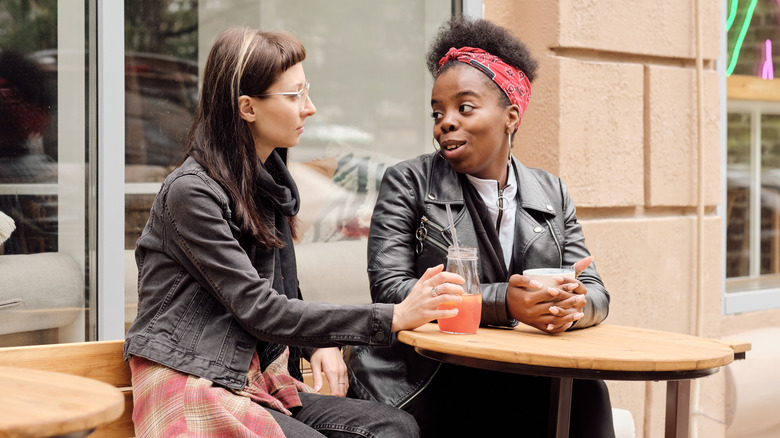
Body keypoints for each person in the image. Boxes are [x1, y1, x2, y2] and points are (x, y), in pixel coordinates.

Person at [123, 27, 467, 438]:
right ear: (247, 107)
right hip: (191, 381)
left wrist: (318, 345)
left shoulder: (268, 186)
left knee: (394, 428)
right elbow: (260, 308)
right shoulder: (191, 192)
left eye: (307, 91)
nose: (310, 108)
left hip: (250, 380)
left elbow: (284, 295)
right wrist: (395, 316)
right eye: (295, 95)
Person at [344, 16, 615, 438]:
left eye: (464, 107)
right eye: (438, 112)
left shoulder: (551, 192)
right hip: (434, 374)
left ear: (510, 116)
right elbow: (392, 289)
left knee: (586, 392)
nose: (445, 123)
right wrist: (505, 302)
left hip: (523, 368)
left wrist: (571, 306)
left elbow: (596, 290)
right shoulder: (409, 182)